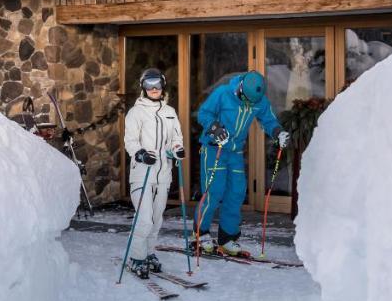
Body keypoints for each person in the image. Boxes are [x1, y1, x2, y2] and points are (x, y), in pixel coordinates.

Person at [194, 70, 289, 257]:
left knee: (236, 192)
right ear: (240, 90)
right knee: (214, 192)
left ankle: (228, 238)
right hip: (214, 149)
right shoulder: (223, 93)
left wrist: (278, 132)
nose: (249, 105)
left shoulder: (258, 99)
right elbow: (203, 113)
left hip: (235, 152)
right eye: (247, 101)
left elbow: (268, 120)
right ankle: (201, 233)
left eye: (252, 103)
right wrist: (215, 127)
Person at [123, 67, 185, 278]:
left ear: (163, 85)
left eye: (157, 83)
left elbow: (177, 138)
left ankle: (149, 254)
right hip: (142, 173)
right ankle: (136, 258)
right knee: (144, 219)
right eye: (149, 84)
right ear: (143, 87)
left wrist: (177, 150)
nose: (153, 88)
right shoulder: (136, 112)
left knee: (157, 219)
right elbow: (130, 141)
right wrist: (139, 154)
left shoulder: (169, 112)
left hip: (163, 174)